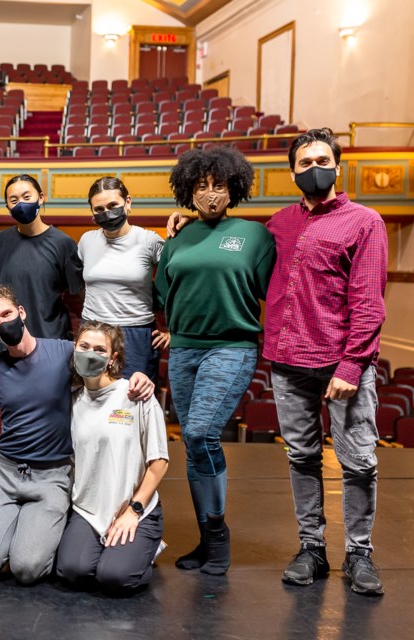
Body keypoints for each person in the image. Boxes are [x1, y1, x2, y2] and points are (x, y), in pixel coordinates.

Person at [168, 128, 387, 596]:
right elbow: (221, 246)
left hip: (340, 364)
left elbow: (368, 302)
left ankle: (360, 553)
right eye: (304, 163)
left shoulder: (365, 221)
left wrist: (352, 366)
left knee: (359, 462)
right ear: (292, 172)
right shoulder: (277, 225)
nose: (314, 169)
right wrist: (185, 223)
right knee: (302, 459)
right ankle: (311, 549)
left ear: (337, 165)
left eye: (321, 160)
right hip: (288, 362)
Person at [0, 286, 154, 584]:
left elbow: (106, 375)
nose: (3, 323)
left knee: (26, 570)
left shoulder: (64, 352)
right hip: (4, 473)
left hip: (51, 476)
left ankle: (46, 532)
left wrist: (140, 378)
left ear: (21, 312)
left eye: (6, 314)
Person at [154, 146, 276, 576]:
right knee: (191, 443)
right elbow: (164, 294)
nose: (209, 194)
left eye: (218, 185)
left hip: (232, 346)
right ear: (187, 190)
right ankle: (206, 541)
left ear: (234, 188)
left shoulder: (255, 235)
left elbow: (272, 293)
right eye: (200, 186)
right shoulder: (178, 237)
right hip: (185, 348)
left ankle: (219, 534)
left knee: (204, 431)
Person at [55, 321, 169, 595]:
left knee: (114, 578)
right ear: (74, 349)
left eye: (99, 349)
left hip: (133, 509)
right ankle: (112, 550)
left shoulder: (137, 395)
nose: (90, 354)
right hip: (88, 510)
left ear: (112, 358)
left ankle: (147, 547)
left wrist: (134, 510)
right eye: (84, 347)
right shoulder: (71, 402)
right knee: (72, 572)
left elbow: (159, 462)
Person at [79, 177, 169, 381]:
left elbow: (176, 284)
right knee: (90, 396)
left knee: (133, 401)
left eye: (113, 206)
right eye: (99, 209)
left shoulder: (149, 240)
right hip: (92, 329)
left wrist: (174, 330)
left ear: (127, 202)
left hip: (135, 333)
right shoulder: (86, 241)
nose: (107, 213)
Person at [0, 174, 83, 344]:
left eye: (27, 197)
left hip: (50, 339)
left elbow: (76, 297)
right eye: (14, 200)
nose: (21, 204)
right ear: (7, 206)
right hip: (7, 341)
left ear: (41, 198)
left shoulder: (63, 243)